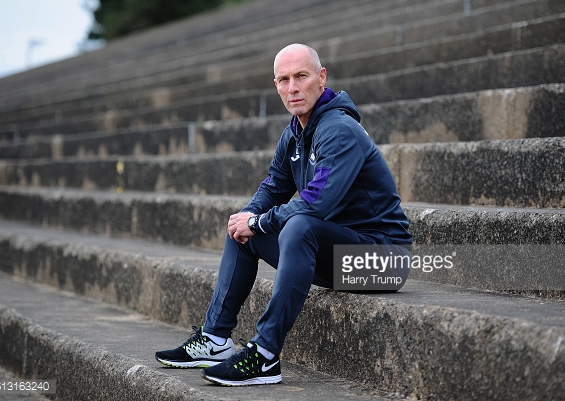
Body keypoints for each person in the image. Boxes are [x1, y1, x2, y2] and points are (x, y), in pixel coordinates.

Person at [155, 43, 412, 386]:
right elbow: (273, 186)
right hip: (339, 254)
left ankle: (264, 355)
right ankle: (215, 340)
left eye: (301, 76)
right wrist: (247, 217)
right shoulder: (294, 134)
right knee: (242, 230)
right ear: (275, 85)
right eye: (283, 79)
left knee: (297, 225)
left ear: (321, 78)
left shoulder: (338, 129)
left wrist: (259, 220)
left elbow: (316, 203)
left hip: (383, 263)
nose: (292, 87)